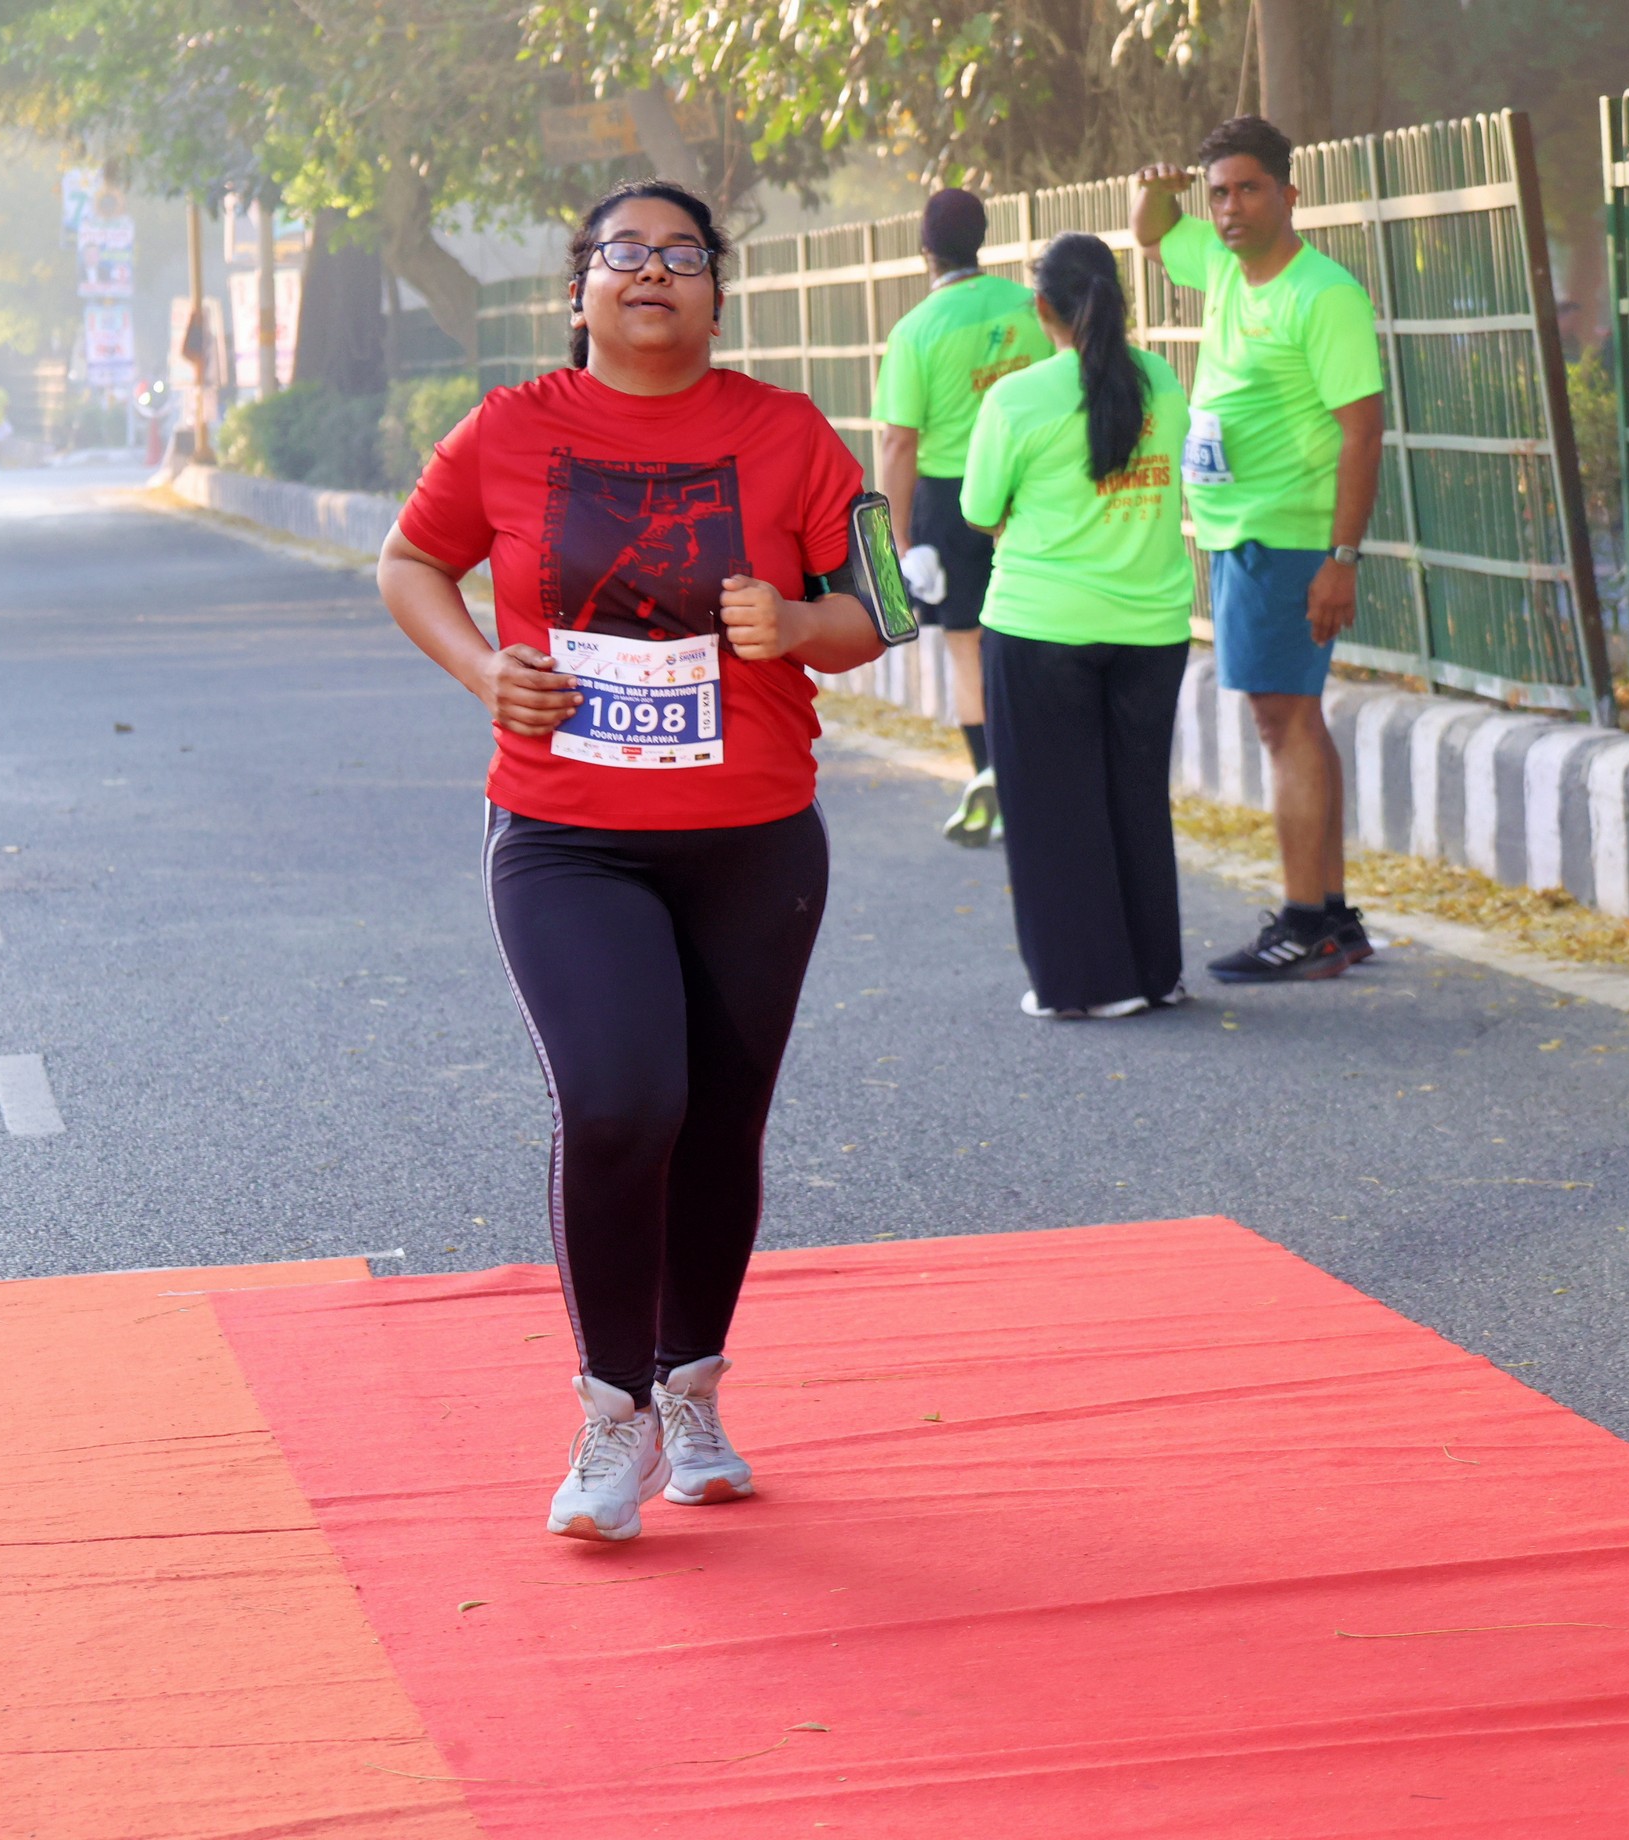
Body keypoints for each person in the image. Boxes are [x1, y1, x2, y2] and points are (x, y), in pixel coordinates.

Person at [376, 179, 881, 1543]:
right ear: (579, 289)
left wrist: (799, 623)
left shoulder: (788, 433)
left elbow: (880, 608)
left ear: (718, 292)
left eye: (683, 254)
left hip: (753, 839)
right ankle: (613, 1412)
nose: (652, 271)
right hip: (566, 837)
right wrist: (484, 669)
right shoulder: (509, 428)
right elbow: (410, 564)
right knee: (619, 1100)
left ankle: (692, 1387)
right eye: (624, 252)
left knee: (720, 1119)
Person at [1135, 116, 1385, 983]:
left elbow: (1363, 431)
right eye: (1218, 194)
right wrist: (1156, 190)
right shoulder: (1221, 265)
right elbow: (1152, 234)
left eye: (1248, 189)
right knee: (1295, 716)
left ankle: (1305, 922)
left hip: (1288, 538)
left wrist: (1341, 557)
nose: (1231, 208)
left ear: (1289, 194)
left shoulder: (1323, 294)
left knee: (1282, 724)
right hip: (1242, 535)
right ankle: (1334, 916)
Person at [965, 232, 1195, 1020]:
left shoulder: (1017, 398)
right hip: (1153, 627)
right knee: (1136, 802)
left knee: (1051, 811)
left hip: (1041, 627)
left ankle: (1088, 986)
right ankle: (1155, 973)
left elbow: (978, 509)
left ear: (1042, 309)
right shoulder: (1162, 380)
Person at [872, 188, 1047, 845]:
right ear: (983, 237)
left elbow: (898, 442)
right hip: (1034, 486)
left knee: (967, 645)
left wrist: (897, 538)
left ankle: (990, 779)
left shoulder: (915, 330)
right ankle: (1039, 772)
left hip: (951, 500)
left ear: (925, 251)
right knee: (1034, 632)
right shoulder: (1030, 307)